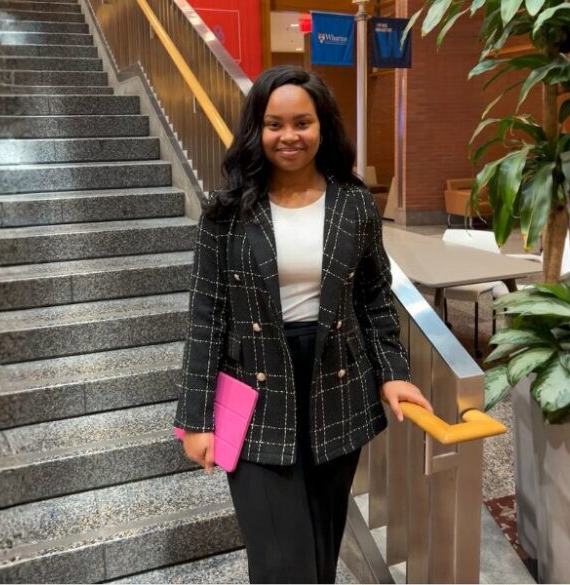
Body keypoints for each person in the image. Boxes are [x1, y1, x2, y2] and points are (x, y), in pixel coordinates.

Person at [173, 65, 431, 584]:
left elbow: (374, 298)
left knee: (319, 549)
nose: (289, 136)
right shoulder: (225, 214)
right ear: (256, 131)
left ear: (322, 127)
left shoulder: (353, 203)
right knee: (279, 564)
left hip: (336, 383)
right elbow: (206, 317)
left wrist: (393, 372)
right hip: (256, 386)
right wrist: (195, 417)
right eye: (274, 124)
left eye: (302, 122)